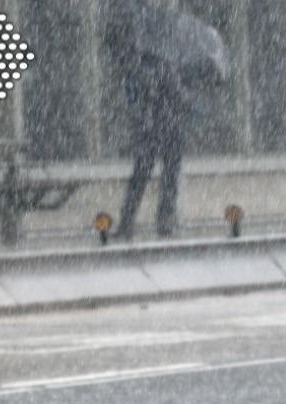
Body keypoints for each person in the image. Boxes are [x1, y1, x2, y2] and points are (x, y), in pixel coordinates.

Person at [107, 3, 188, 240]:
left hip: (152, 129)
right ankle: (163, 222)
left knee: (143, 175)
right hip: (166, 128)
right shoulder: (166, 67)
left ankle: (129, 223)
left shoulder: (140, 67)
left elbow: (137, 99)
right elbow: (178, 99)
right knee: (167, 177)